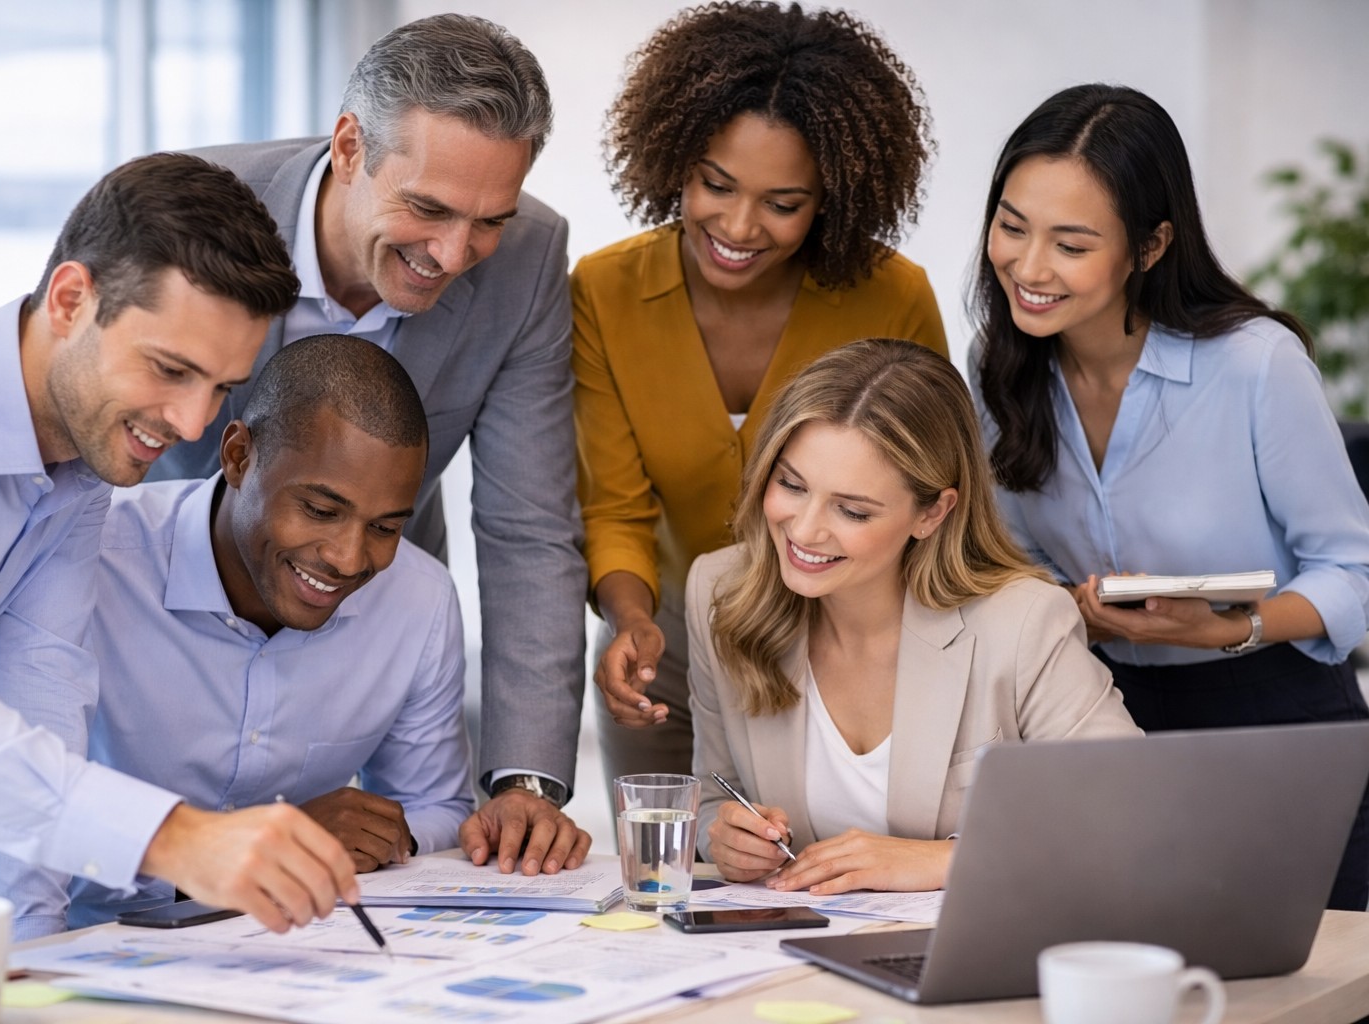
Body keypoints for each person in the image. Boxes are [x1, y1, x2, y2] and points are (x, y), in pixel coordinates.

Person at [0, 153, 359, 979]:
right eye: (170, 370)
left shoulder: (79, 475)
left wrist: (33, 968)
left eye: (220, 386)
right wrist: (178, 838)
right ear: (73, 299)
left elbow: (37, 703)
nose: (190, 425)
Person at [147, 13, 590, 875]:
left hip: (363, 621)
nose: (455, 253)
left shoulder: (531, 257)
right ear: (350, 146)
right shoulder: (186, 211)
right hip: (149, 619)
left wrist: (528, 782)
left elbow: (527, 526)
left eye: (488, 220)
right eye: (426, 208)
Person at [970, 84, 1369, 911]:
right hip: (1098, 712)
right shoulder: (1000, 367)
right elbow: (1015, 553)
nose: (1028, 266)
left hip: (1276, 717)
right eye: (1012, 226)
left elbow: (1354, 569)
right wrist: (1061, 606)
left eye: (1071, 244)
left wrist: (1232, 629)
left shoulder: (1256, 365)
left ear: (1150, 246)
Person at [0, 335, 475, 938]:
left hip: (296, 958)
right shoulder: (84, 563)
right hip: (90, 946)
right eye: (319, 509)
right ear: (238, 457)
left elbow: (438, 808)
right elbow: (6, 818)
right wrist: (257, 849)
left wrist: (388, 836)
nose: (347, 557)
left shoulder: (419, 600)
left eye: (385, 527)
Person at [572, 0, 948, 793]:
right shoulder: (604, 291)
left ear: (833, 201)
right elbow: (615, 504)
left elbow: (928, 497)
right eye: (716, 184)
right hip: (664, 644)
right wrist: (631, 621)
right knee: (667, 877)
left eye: (784, 204)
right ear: (674, 158)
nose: (740, 227)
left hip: (848, 644)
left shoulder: (893, 297)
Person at [690, 340, 1138, 893]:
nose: (804, 530)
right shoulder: (719, 593)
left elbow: (1125, 817)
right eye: (791, 485)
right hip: (791, 956)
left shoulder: (1023, 621)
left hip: (965, 958)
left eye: (852, 510)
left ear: (932, 512)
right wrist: (727, 839)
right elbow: (718, 792)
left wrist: (940, 862)